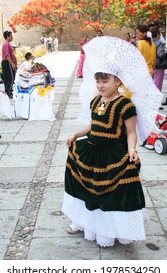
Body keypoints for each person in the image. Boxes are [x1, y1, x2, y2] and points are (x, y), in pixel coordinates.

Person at [62, 36, 162, 247]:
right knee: (84, 187)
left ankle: (108, 230)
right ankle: (83, 221)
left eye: (104, 80)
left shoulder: (126, 105)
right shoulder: (96, 100)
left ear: (117, 81)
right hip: (90, 150)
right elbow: (93, 124)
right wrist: (75, 135)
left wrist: (132, 149)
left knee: (109, 193)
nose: (100, 85)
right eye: (97, 80)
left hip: (111, 155)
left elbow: (131, 132)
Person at [151, 27, 167, 107]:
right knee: (157, 85)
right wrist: (165, 52)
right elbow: (161, 54)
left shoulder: (148, 42)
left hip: (150, 65)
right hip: (159, 66)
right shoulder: (159, 43)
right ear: (157, 34)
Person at [1, 30, 17, 98]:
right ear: (7, 36)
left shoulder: (7, 44)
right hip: (7, 62)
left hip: (7, 62)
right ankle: (8, 91)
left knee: (8, 77)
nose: (12, 37)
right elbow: (7, 55)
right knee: (11, 77)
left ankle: (9, 91)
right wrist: (12, 64)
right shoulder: (6, 44)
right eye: (11, 36)